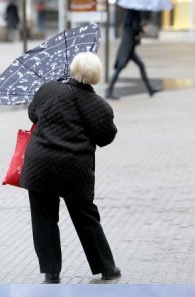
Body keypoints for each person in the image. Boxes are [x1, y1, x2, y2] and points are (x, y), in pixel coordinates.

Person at [20, 52, 121, 284]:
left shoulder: (49, 89)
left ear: (73, 70)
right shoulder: (100, 106)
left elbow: (32, 113)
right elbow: (106, 137)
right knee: (86, 217)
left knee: (44, 219)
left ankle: (51, 272)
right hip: (74, 170)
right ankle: (107, 268)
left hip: (40, 167)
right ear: (96, 76)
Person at [105, 8, 159, 100]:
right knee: (120, 68)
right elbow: (134, 28)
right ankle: (109, 91)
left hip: (130, 46)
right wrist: (142, 29)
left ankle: (150, 89)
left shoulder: (132, 13)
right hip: (127, 46)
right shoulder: (132, 13)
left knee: (141, 65)